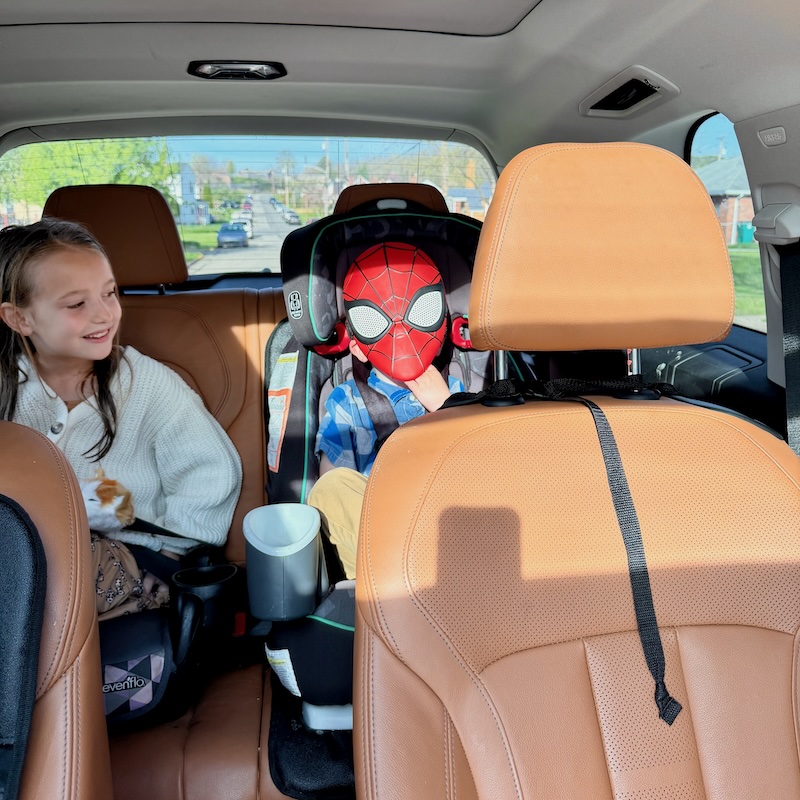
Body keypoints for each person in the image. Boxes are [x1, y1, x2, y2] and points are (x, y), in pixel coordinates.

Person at [0, 217, 242, 618]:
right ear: (19, 318)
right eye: (77, 304)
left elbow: (210, 470)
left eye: (110, 293)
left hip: (128, 554)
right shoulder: (9, 385)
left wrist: (173, 552)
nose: (104, 314)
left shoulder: (147, 384)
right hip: (22, 550)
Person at [308, 242, 463, 579]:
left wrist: (446, 407)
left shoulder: (459, 393)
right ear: (357, 348)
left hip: (447, 521)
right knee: (330, 489)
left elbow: (481, 470)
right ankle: (393, 577)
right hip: (378, 531)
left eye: (421, 312)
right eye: (375, 320)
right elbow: (331, 484)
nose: (400, 329)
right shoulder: (347, 401)